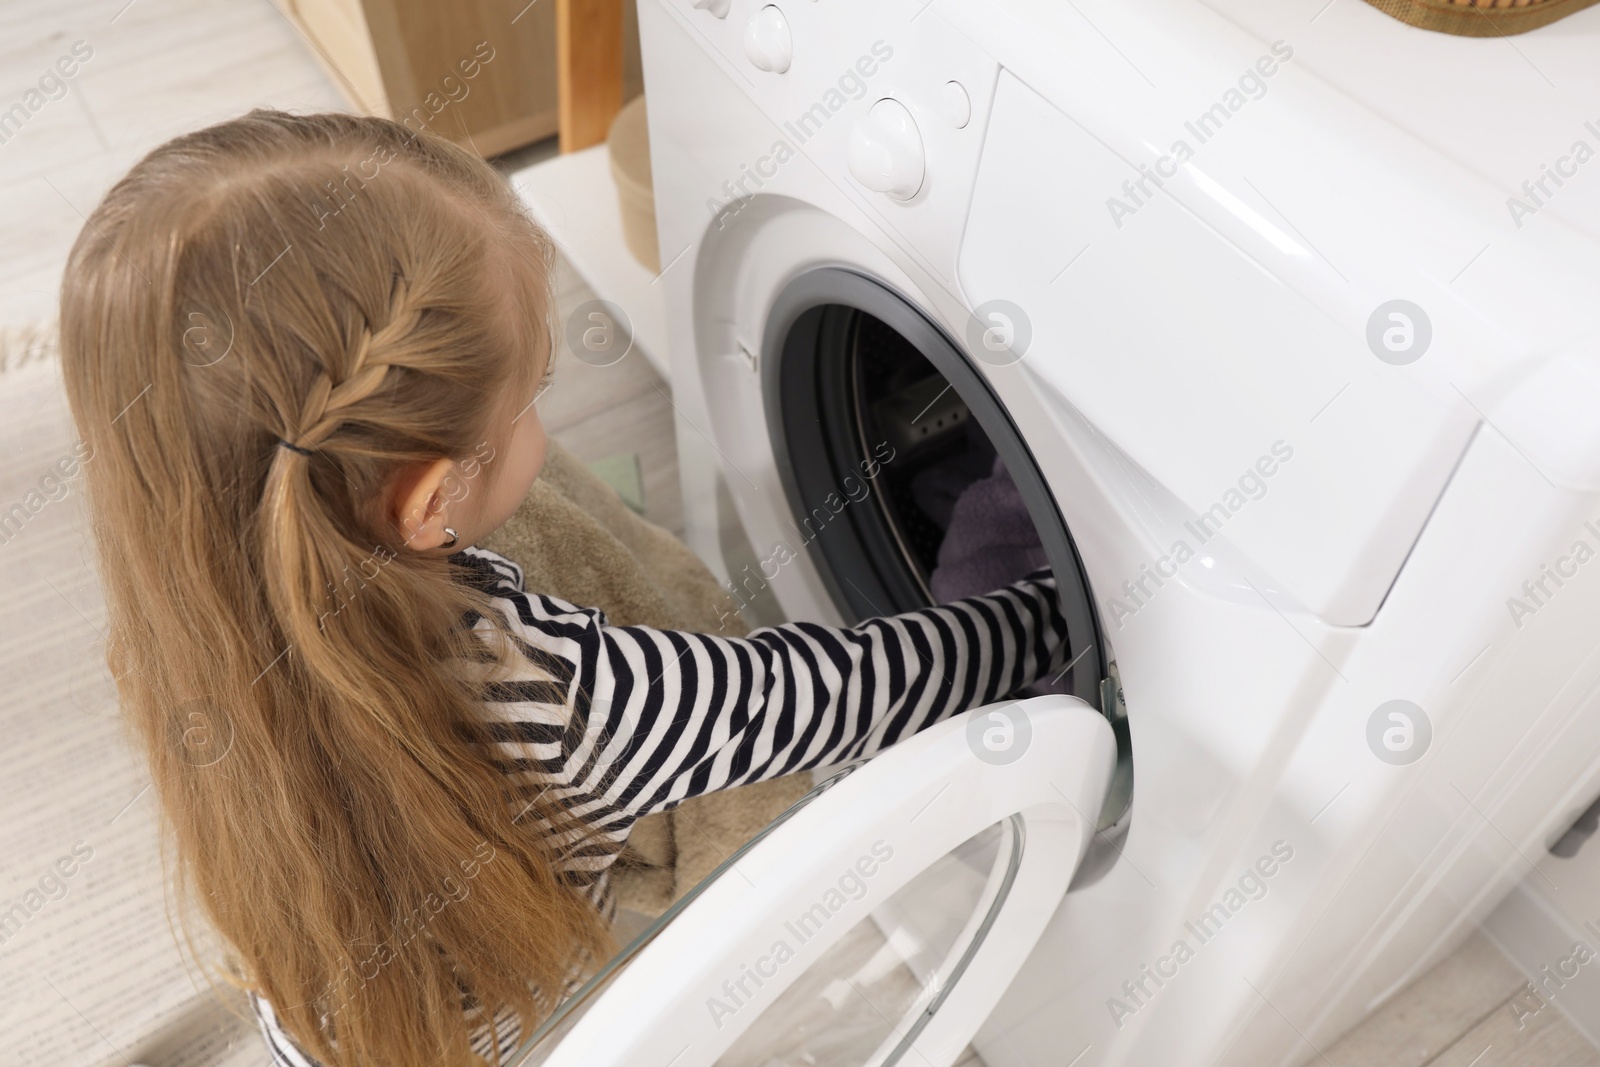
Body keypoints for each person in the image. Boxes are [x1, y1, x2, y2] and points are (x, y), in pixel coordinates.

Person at [58, 110, 1072, 1067]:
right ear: (428, 502)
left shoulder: (182, 605)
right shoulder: (565, 700)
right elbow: (831, 694)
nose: (542, 427)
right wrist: (1042, 611)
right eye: (532, 395)